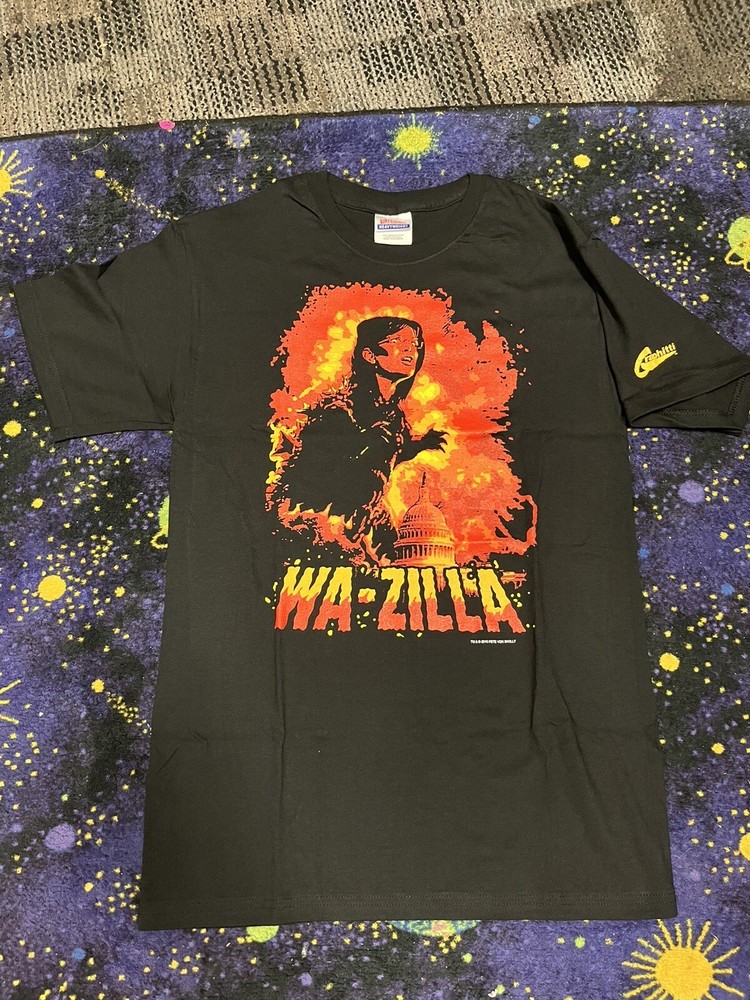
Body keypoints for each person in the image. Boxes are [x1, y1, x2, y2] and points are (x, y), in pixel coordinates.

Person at [270, 316, 447, 565]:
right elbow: (316, 476)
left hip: (358, 521)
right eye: (397, 341)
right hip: (319, 526)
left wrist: (418, 445)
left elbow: (388, 454)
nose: (410, 349)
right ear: (369, 355)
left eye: (414, 343)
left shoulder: (393, 416)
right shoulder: (340, 411)